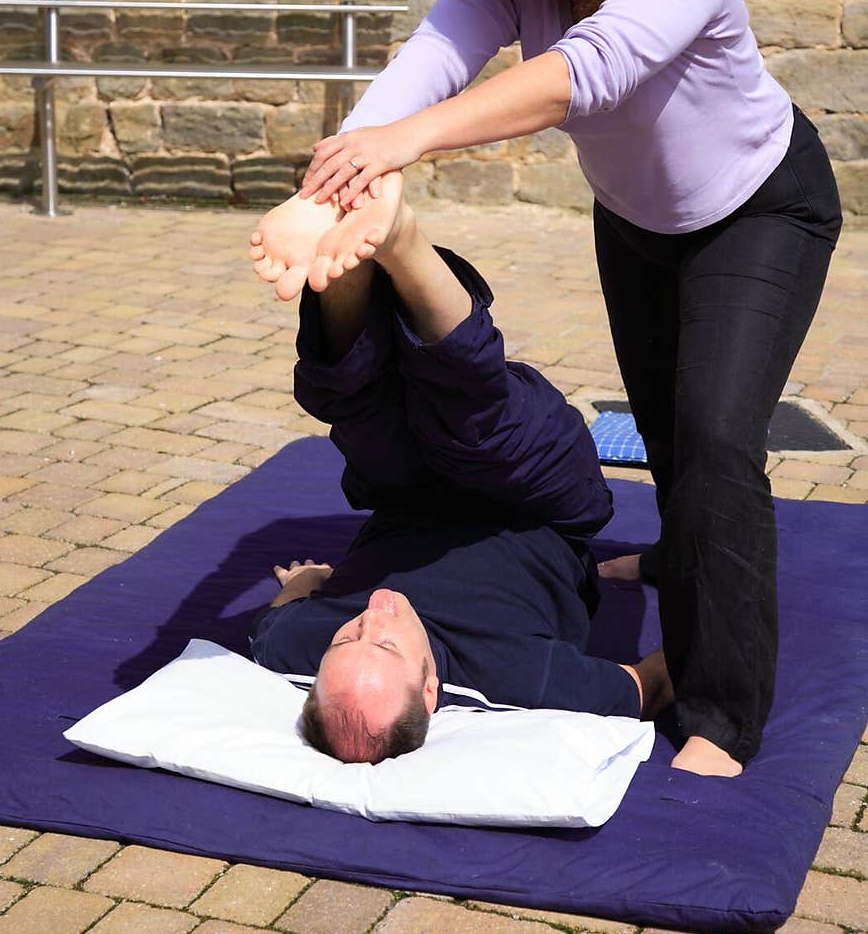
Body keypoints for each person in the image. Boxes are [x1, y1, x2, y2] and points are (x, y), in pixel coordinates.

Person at [256, 0, 842, 778]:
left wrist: (403, 149)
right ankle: (665, 557)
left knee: (713, 437)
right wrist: (320, 191)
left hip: (759, 210)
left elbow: (587, 74)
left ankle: (721, 712)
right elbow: (428, 64)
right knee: (660, 421)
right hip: (639, 223)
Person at [248, 173, 671, 765]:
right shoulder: (524, 680)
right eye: (388, 644)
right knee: (475, 417)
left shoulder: (302, 649)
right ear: (429, 688)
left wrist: (301, 585)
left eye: (346, 637)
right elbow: (652, 684)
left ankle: (344, 249)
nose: (373, 613)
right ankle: (401, 241)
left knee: (350, 400)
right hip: (537, 502)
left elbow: (276, 628)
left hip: (405, 491)